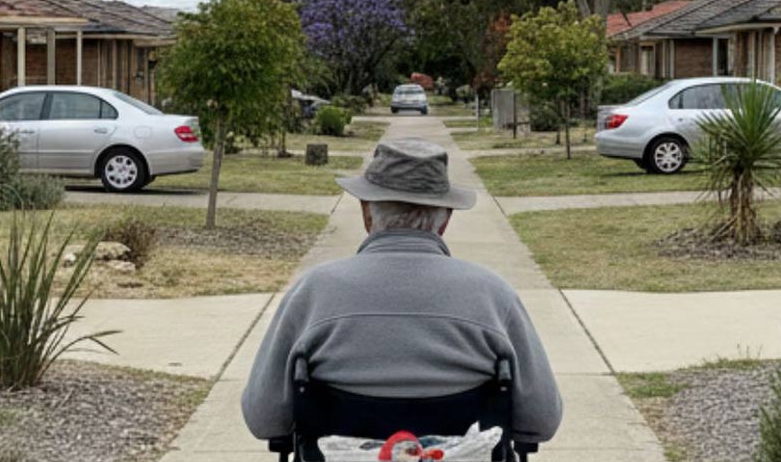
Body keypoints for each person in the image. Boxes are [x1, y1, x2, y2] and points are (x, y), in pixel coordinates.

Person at [241, 139, 562, 443]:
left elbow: (264, 418)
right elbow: (540, 420)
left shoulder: (312, 292)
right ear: (445, 219)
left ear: (367, 213)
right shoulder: (494, 295)